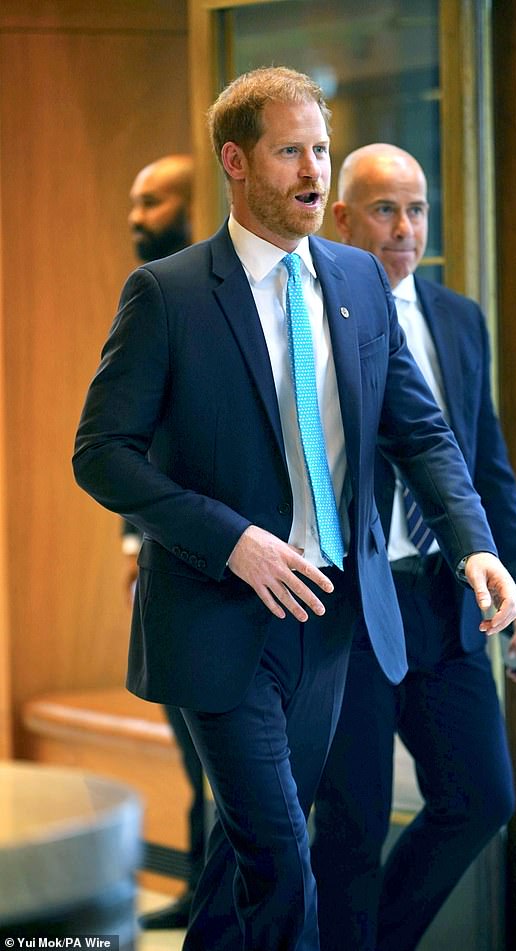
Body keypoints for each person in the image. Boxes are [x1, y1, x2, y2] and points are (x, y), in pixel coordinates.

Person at [73, 67, 516, 951]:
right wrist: (232, 540)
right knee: (281, 855)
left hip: (332, 620)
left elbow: (421, 434)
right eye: (290, 151)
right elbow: (100, 454)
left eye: (321, 148)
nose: (314, 169)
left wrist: (474, 543)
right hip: (218, 615)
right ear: (237, 162)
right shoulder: (168, 294)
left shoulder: (357, 280)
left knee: (244, 864)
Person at [310, 143, 516, 951]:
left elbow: (487, 470)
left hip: (448, 604)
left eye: (418, 209)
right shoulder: (316, 316)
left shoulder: (458, 318)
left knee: (482, 796)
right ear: (342, 218)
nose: (405, 227)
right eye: (385, 209)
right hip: (351, 604)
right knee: (352, 827)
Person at [123, 154, 205, 930]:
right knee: (191, 741)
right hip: (173, 562)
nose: (136, 216)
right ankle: (204, 883)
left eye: (153, 201)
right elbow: (125, 439)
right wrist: (131, 549)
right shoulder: (154, 294)